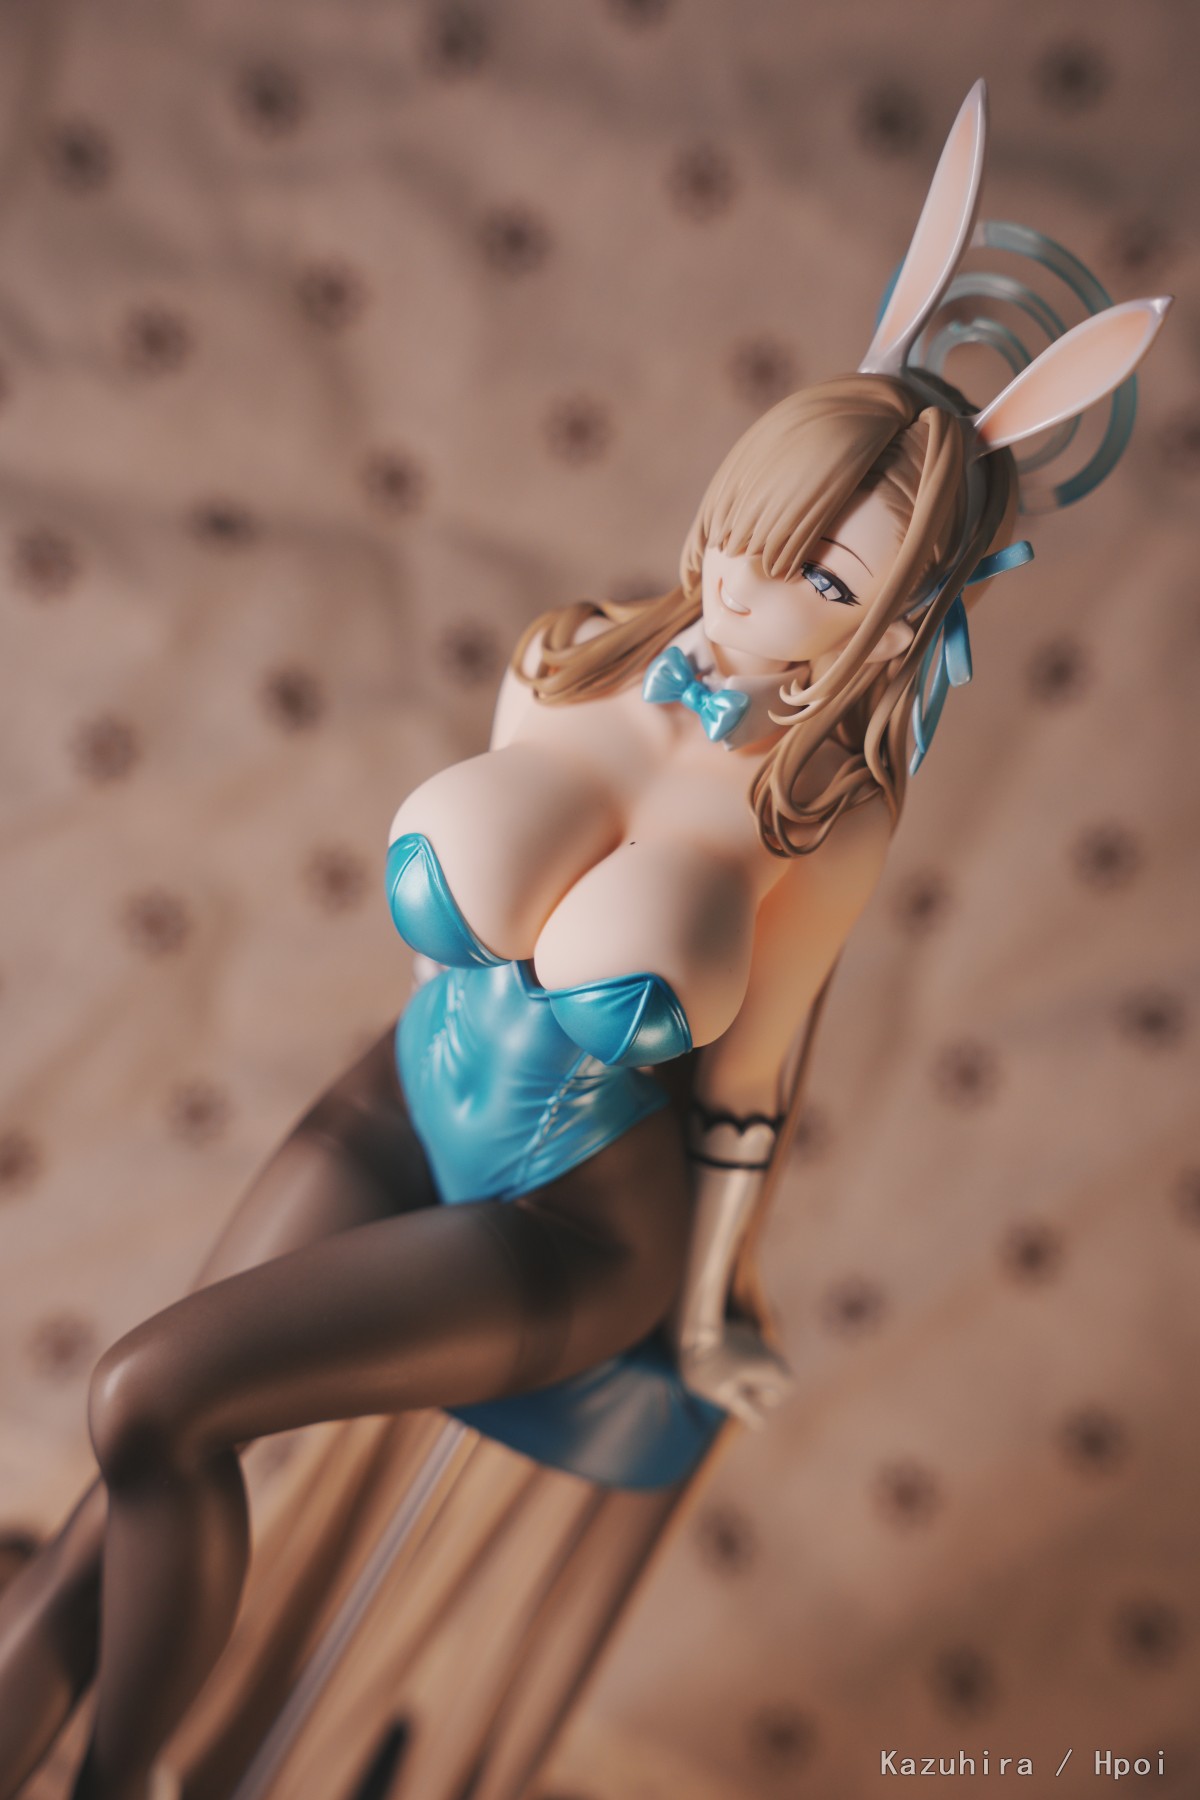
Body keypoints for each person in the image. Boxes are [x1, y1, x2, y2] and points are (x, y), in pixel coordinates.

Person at [0, 83, 1168, 1800]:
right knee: (119, 1484)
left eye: (829, 585)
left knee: (152, 1394)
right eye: (764, 534)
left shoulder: (821, 813)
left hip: (567, 1228)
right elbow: (451, 947)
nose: (756, 592)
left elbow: (753, 1085)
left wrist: (711, 1311)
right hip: (391, 1105)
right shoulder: (571, 661)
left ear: (900, 619)